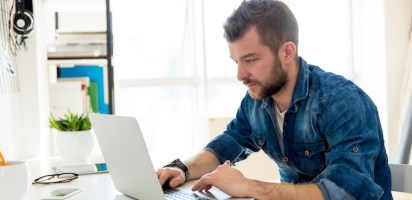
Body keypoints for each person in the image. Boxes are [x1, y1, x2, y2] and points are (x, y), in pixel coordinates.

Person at [156, 0, 392, 199]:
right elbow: (225, 146)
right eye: (236, 62)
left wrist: (250, 187)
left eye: (250, 60)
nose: (240, 75)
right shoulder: (258, 100)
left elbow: (345, 192)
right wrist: (182, 169)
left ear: (287, 52)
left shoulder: (341, 103)